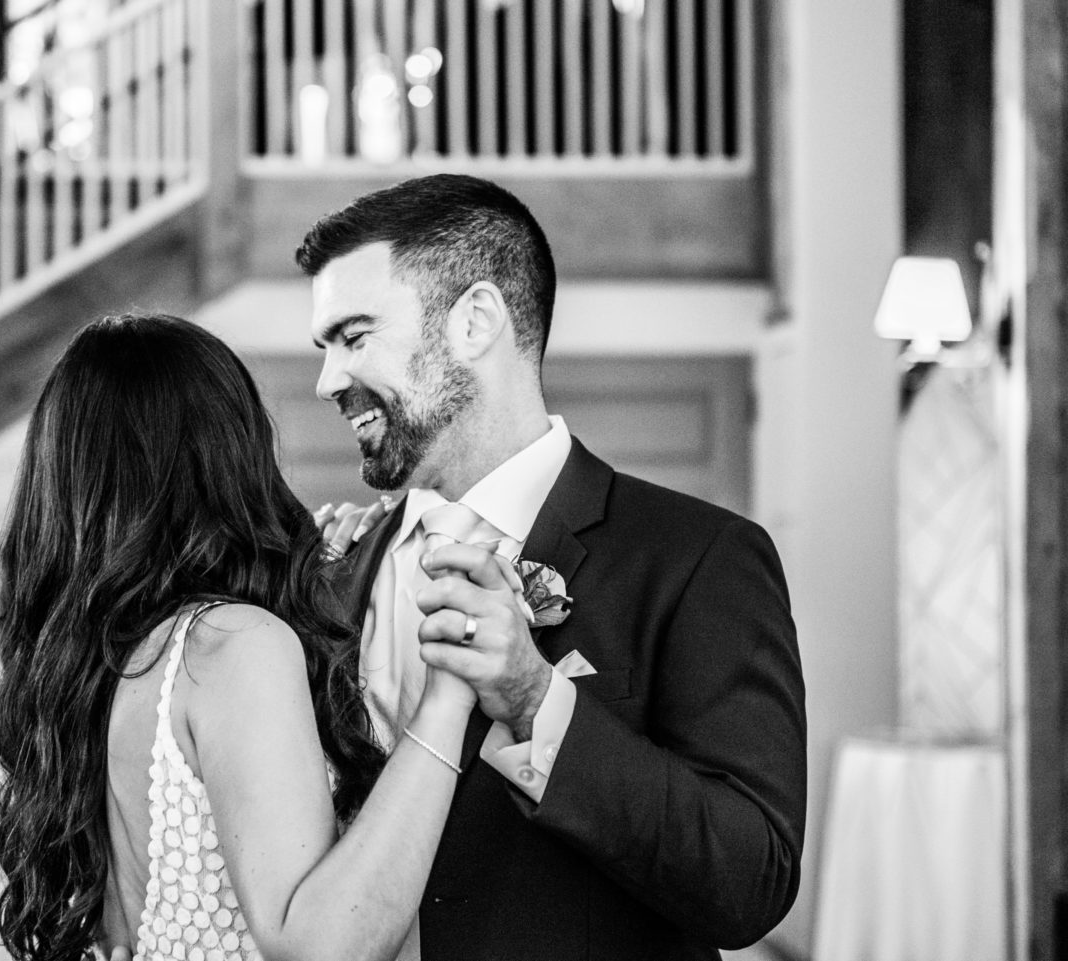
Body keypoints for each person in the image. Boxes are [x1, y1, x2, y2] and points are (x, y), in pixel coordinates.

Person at [297, 174, 808, 961]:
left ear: (475, 321)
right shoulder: (329, 573)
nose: (328, 380)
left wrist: (538, 699)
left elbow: (750, 880)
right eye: (324, 348)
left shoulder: (696, 558)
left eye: (355, 337)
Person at [0, 314, 479, 961]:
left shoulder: (108, 662)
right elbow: (324, 945)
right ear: (228, 452)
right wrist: (448, 695)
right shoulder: (231, 644)